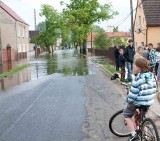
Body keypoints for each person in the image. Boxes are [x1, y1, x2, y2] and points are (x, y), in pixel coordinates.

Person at [123, 57, 157, 141]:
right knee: (142, 117)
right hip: (149, 101)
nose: (133, 67)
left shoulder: (138, 79)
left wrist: (127, 101)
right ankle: (144, 136)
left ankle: (134, 135)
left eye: (135, 65)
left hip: (139, 102)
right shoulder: (151, 76)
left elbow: (132, 95)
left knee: (126, 115)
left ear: (139, 68)